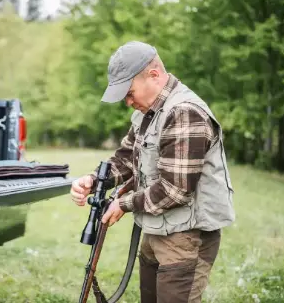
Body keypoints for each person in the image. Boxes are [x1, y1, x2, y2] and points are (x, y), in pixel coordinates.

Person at [70, 41, 235, 303]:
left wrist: (123, 204)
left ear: (154, 75)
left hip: (186, 239)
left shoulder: (184, 113)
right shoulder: (147, 111)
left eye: (129, 92)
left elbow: (174, 190)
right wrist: (94, 180)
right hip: (157, 229)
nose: (127, 101)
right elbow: (125, 159)